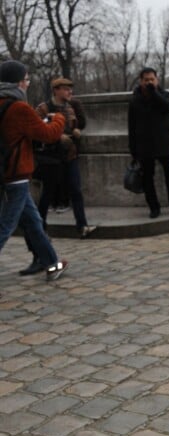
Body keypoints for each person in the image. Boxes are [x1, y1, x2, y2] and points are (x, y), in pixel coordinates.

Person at [0, 60, 69, 281]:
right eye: (27, 80)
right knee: (5, 227)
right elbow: (48, 134)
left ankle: (51, 263)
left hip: (5, 174)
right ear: (19, 82)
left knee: (32, 221)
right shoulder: (18, 107)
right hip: (15, 175)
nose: (28, 84)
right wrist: (59, 118)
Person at [35, 77, 97, 239]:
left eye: (70, 89)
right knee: (47, 193)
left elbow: (76, 125)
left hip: (70, 155)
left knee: (76, 190)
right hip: (51, 158)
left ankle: (82, 226)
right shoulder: (43, 108)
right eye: (65, 89)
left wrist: (75, 131)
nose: (70, 92)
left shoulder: (71, 107)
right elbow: (37, 130)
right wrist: (58, 137)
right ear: (56, 90)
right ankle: (41, 228)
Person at [128, 67, 169, 218]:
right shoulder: (135, 100)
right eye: (146, 80)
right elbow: (131, 126)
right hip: (144, 146)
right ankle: (154, 207)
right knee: (147, 179)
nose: (149, 82)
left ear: (157, 80)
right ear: (141, 82)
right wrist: (133, 151)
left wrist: (154, 93)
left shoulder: (164, 95)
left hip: (165, 144)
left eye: (152, 79)